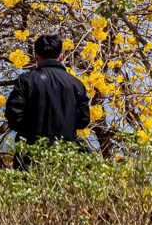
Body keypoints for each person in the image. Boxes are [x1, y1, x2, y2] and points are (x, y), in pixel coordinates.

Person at [5, 34, 91, 169]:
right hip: (65, 156)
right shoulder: (76, 85)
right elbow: (83, 121)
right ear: (61, 56)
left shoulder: (26, 81)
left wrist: (32, 131)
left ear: (36, 56)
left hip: (31, 155)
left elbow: (13, 116)